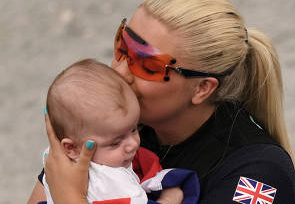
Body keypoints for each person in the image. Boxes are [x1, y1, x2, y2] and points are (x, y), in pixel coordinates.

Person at [28, 0, 295, 203]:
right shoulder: (116, 123)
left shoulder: (257, 174)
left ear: (202, 88)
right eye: (122, 46)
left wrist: (69, 197)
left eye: (147, 65)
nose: (119, 70)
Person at [38, 58, 199, 204]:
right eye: (115, 143)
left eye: (134, 129)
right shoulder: (111, 182)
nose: (133, 144)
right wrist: (169, 199)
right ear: (71, 148)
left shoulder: (56, 160)